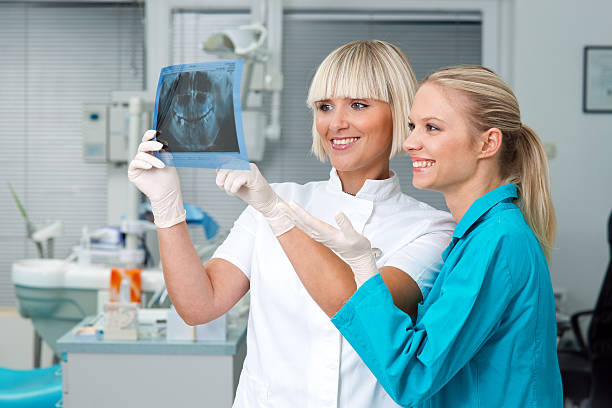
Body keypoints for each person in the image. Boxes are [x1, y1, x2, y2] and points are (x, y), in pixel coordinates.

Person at [128, 40, 455, 407]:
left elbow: (363, 314)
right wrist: (167, 206)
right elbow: (199, 305)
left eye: (359, 105)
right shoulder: (275, 197)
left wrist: (277, 214)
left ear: (399, 115)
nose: (337, 123)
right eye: (325, 107)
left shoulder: (431, 229)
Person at [284, 65, 563, 407]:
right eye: (413, 126)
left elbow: (415, 374)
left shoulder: (497, 242)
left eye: (432, 128)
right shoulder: (478, 237)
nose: (410, 143)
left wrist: (364, 269)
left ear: (487, 143)